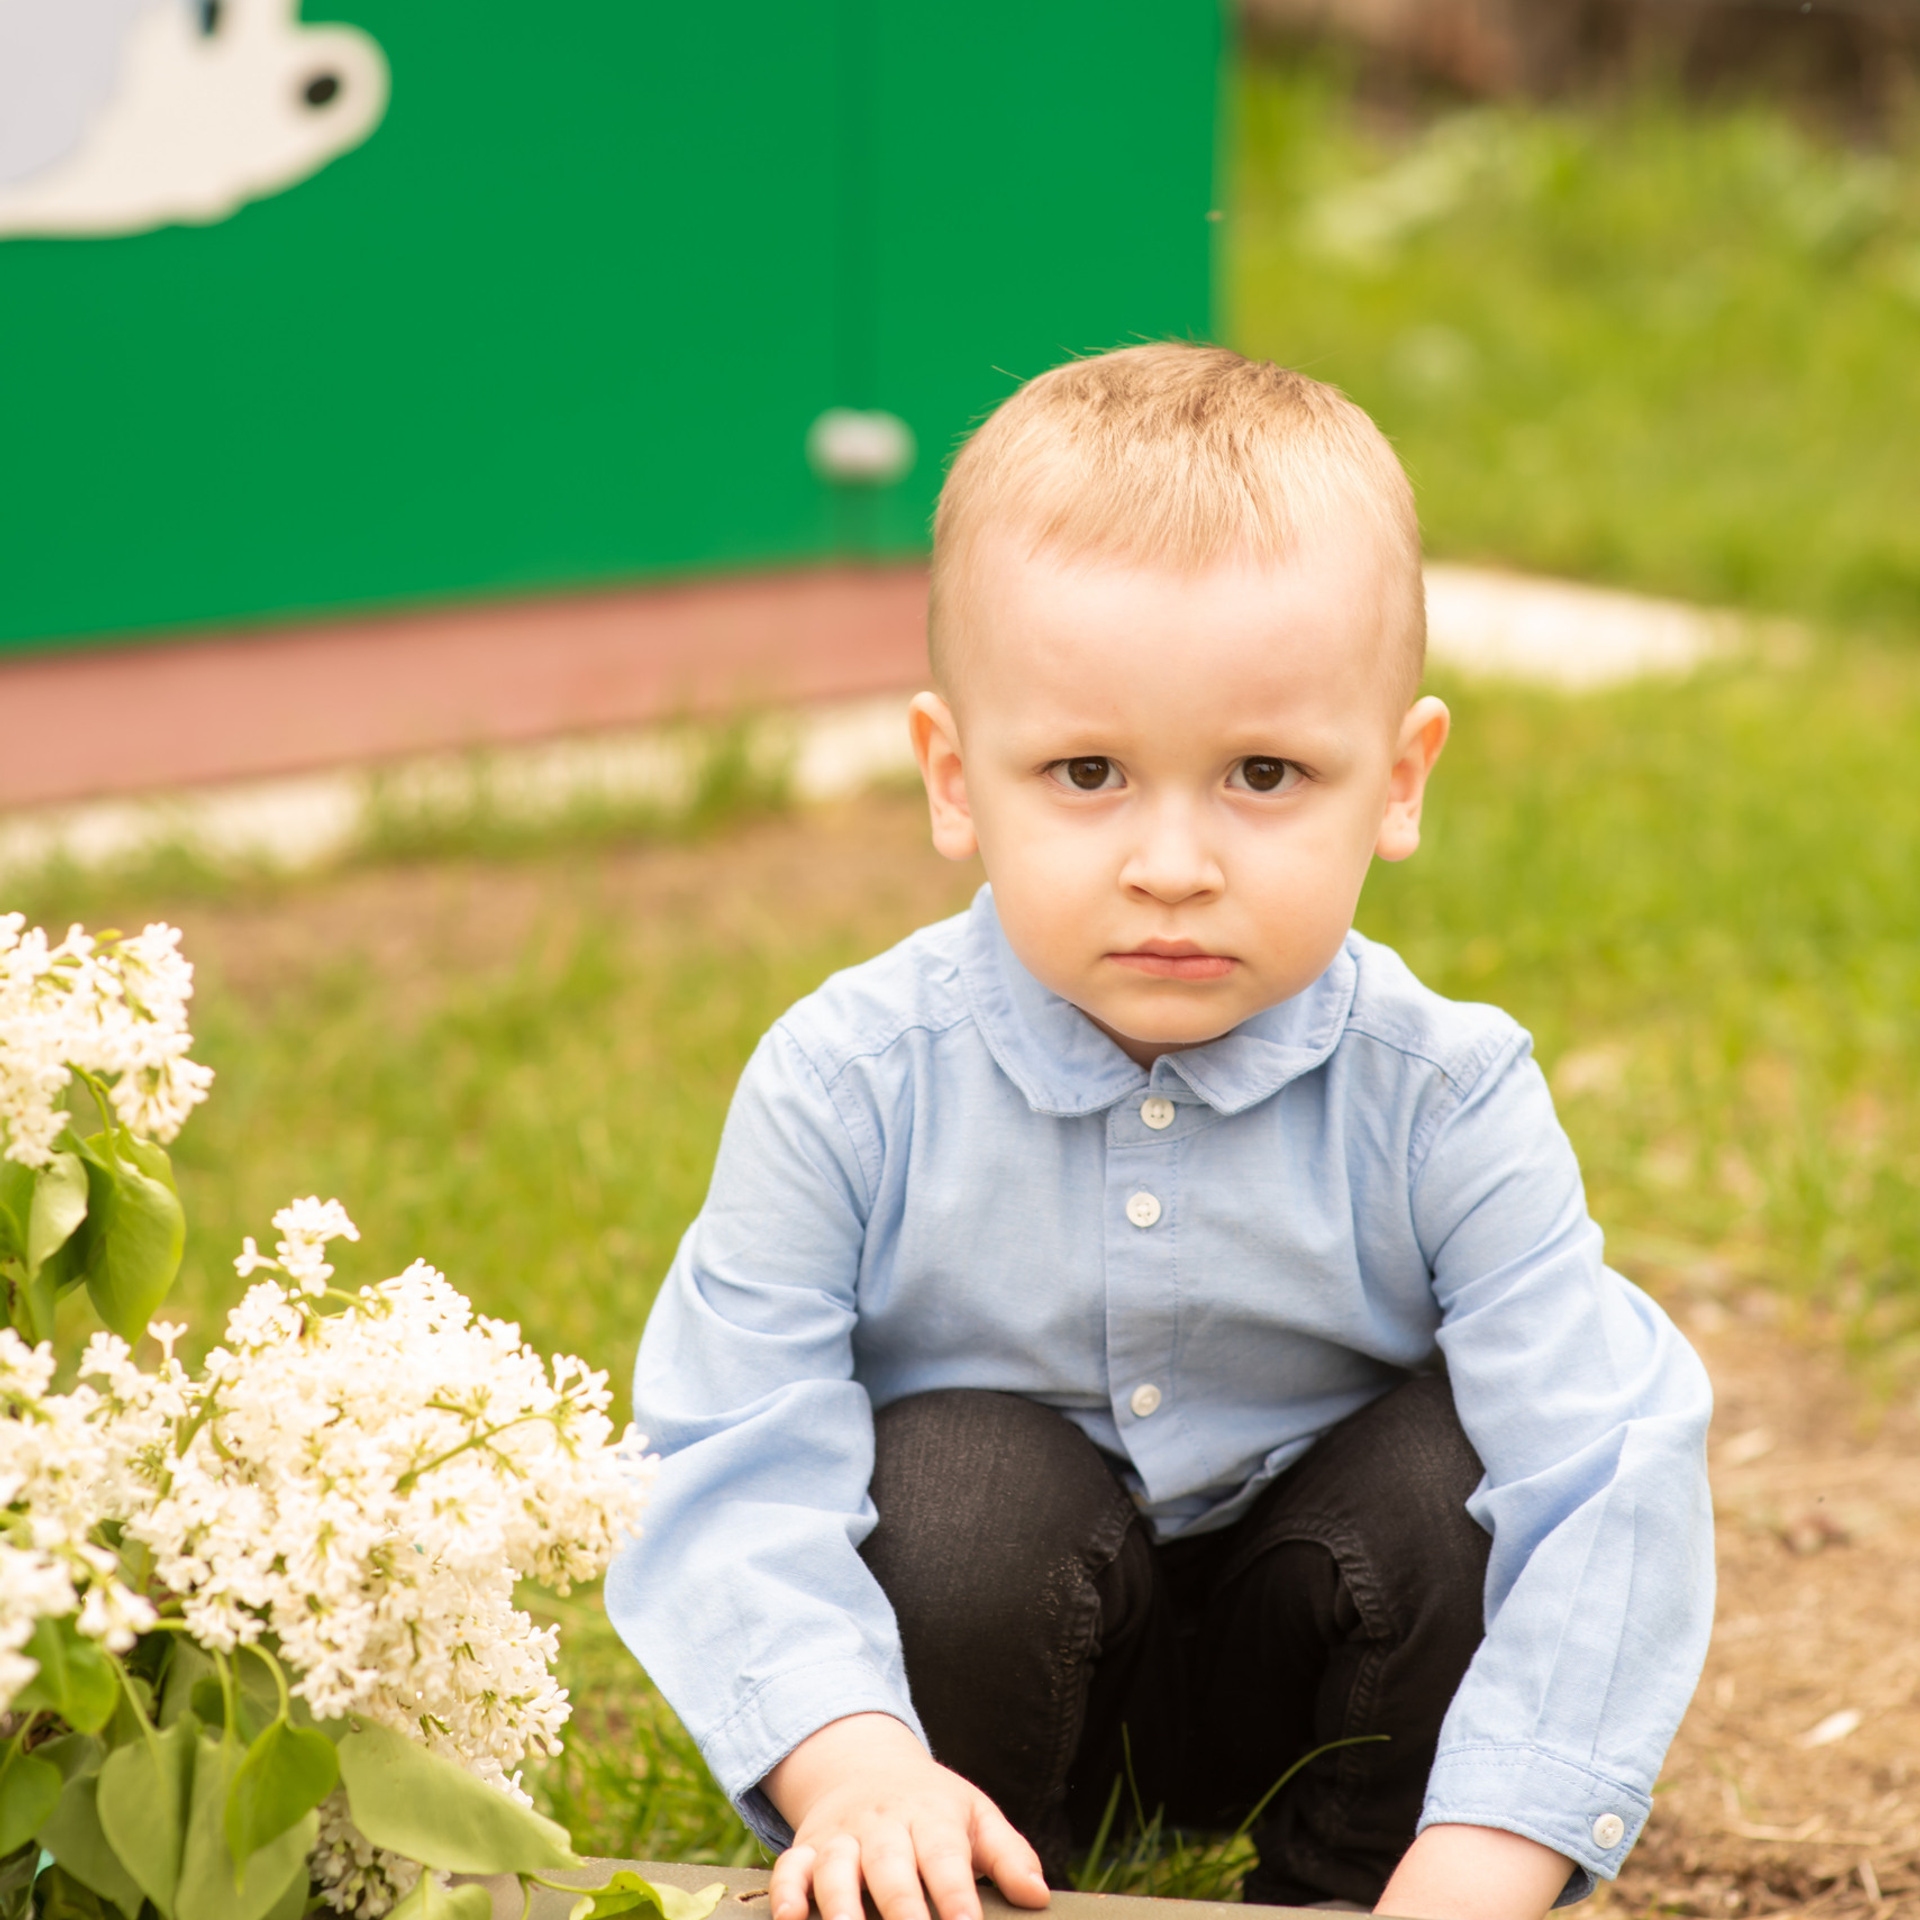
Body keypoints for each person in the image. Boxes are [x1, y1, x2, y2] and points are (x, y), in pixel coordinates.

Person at [606, 342, 1714, 1920]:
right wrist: (849, 1765)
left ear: (1397, 783)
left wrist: (1492, 1850)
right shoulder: (849, 1082)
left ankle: (1361, 1888)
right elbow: (729, 1451)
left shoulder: (1447, 1097)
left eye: (1264, 773)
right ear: (953, 778)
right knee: (959, 1490)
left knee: (1457, 1468)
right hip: (982, 1700)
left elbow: (1605, 1477)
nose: (1174, 862)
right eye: (1087, 773)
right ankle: (960, 1880)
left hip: (1323, 1656)